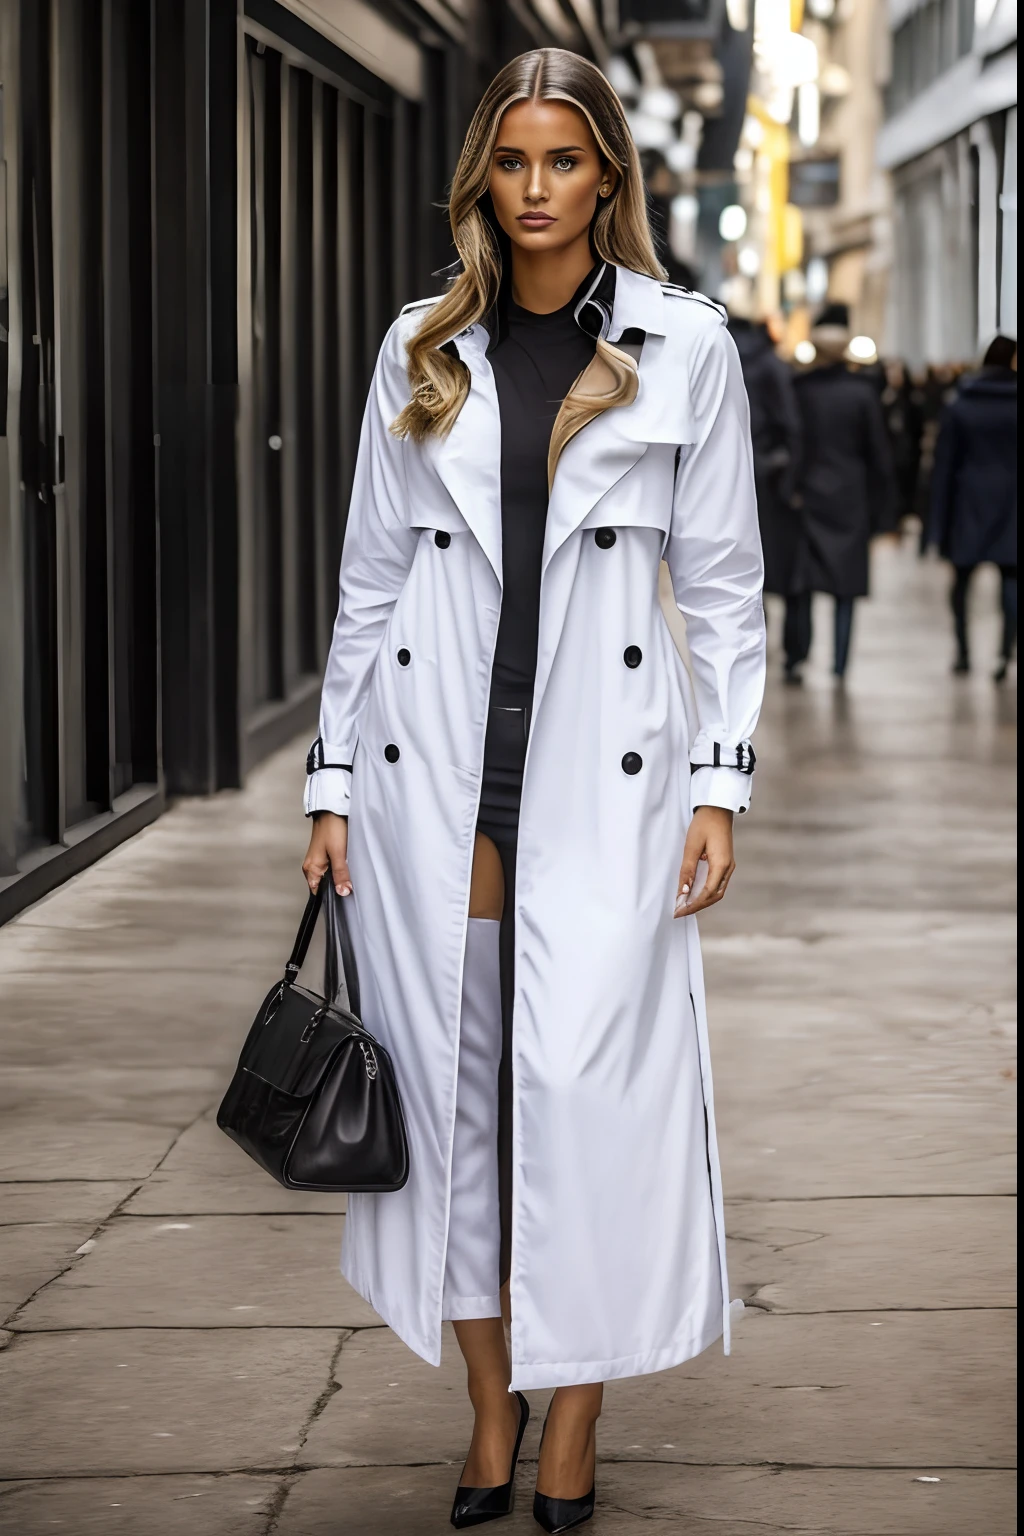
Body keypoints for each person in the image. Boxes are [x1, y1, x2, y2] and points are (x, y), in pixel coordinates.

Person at [301, 48, 765, 1534]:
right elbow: (371, 580)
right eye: (514, 164)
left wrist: (719, 784)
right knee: (454, 1115)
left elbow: (730, 591)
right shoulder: (420, 345)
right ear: (482, 179)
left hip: (608, 782)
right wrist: (326, 779)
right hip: (431, 774)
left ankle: (575, 1423)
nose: (539, 191)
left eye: (566, 162)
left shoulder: (686, 347)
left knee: (588, 1106)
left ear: (609, 177)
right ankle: (490, 1413)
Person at [785, 303, 896, 683]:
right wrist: (884, 512)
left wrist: (791, 488)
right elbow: (879, 456)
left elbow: (794, 444)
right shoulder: (863, 394)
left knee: (802, 583)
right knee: (845, 589)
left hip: (807, 496)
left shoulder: (799, 390)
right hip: (850, 499)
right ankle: (839, 664)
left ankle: (797, 657)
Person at [927, 335, 1017, 681]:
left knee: (962, 581)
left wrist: (936, 524)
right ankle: (1004, 655)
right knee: (1011, 581)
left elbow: (945, 465)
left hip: (969, 501)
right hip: (1011, 502)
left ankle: (963, 652)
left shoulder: (961, 402)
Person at [728, 313, 802, 601]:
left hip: (727, 472)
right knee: (775, 557)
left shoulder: (716, 354)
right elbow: (790, 423)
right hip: (768, 473)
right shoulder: (771, 363)